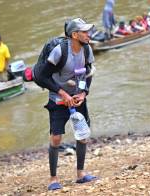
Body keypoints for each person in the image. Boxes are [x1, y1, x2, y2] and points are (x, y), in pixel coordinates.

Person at [40, 18, 97, 191]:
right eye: (85, 31)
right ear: (74, 34)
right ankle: (53, 178)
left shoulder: (87, 49)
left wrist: (84, 92)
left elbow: (88, 73)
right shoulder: (59, 51)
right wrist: (62, 94)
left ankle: (80, 174)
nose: (89, 34)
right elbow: (43, 77)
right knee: (56, 138)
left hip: (77, 97)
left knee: (83, 135)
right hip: (58, 98)